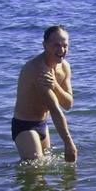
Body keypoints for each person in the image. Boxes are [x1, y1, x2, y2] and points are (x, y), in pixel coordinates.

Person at [11, 26, 77, 162]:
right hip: (25, 125)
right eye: (56, 45)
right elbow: (54, 108)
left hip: (42, 123)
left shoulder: (65, 67)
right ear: (45, 46)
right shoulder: (38, 70)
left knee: (44, 168)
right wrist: (68, 142)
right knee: (36, 167)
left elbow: (68, 104)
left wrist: (56, 85)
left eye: (65, 45)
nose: (61, 50)